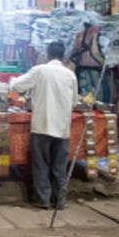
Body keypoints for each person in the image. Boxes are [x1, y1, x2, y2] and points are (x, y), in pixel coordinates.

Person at [10, 41, 78, 209]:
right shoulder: (70, 75)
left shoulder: (40, 71)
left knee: (41, 164)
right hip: (62, 127)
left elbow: (17, 85)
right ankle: (59, 200)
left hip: (42, 124)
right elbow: (74, 102)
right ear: (63, 56)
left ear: (47, 54)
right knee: (59, 167)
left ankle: (43, 199)